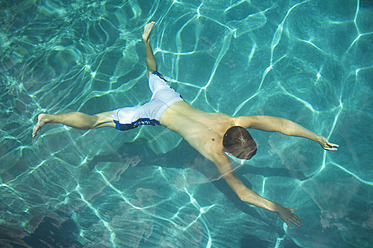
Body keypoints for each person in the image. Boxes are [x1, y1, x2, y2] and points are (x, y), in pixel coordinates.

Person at [32, 22, 339, 229]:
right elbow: (244, 194)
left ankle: (145, 40)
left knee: (154, 75)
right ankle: (50, 118)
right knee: (96, 122)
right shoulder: (215, 153)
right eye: (243, 157)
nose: (242, 160)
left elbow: (279, 124)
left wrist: (316, 136)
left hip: (169, 99)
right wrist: (279, 208)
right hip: (153, 113)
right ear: (229, 149)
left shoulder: (232, 122)